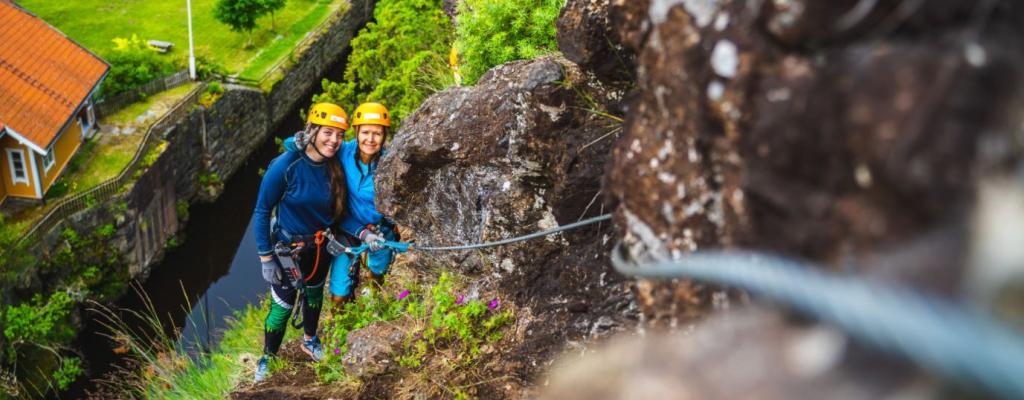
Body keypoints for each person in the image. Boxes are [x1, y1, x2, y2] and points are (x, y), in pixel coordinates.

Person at [250, 102, 350, 382]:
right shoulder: (285, 165)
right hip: (288, 250)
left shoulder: (337, 163)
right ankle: (267, 357)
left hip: (319, 248)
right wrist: (265, 257)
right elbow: (261, 211)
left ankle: (310, 340)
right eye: (328, 133)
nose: (334, 140)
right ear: (313, 131)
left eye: (339, 135)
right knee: (281, 308)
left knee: (315, 296)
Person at [284, 102, 399, 305]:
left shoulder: (391, 164)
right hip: (348, 230)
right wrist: (298, 141)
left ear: (384, 136)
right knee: (339, 292)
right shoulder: (343, 152)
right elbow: (297, 147)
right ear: (356, 131)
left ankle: (372, 300)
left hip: (380, 230)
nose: (370, 139)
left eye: (377, 134)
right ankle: (342, 322)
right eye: (365, 132)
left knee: (377, 273)